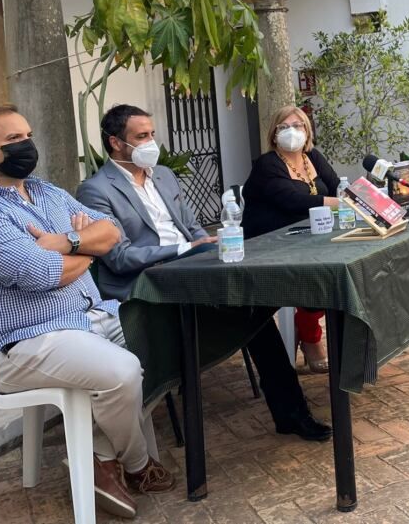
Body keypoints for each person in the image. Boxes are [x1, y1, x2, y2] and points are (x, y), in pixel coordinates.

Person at [0, 105, 173, 520]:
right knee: (122, 372)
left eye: (27, 134)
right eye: (12, 140)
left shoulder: (46, 191)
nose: (26, 145)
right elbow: (42, 274)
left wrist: (68, 242)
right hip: (28, 339)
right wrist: (85, 245)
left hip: (90, 315)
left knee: (168, 341)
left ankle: (100, 459)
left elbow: (112, 231)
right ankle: (139, 464)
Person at [76, 104, 332, 442]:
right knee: (251, 311)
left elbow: (193, 227)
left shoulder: (163, 176)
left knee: (254, 304)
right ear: (115, 144)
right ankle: (290, 412)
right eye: (141, 137)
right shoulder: (96, 190)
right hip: (151, 281)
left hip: (195, 265)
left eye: (152, 134)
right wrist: (186, 249)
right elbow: (121, 257)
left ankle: (290, 413)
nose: (150, 143)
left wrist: (204, 242)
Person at [240, 105, 341, 372]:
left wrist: (352, 197)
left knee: (342, 266)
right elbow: (294, 201)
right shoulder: (267, 164)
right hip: (267, 245)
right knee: (321, 274)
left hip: (307, 236)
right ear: (274, 134)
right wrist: (341, 203)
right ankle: (310, 333)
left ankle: (310, 328)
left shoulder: (312, 158)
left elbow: (336, 186)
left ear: (307, 131)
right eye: (284, 127)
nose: (291, 132)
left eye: (298, 126)